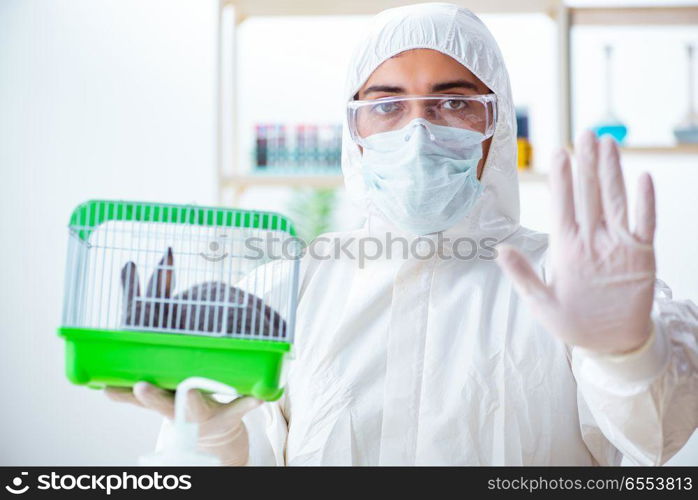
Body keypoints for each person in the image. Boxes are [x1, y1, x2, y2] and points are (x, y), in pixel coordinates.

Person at [106, 2, 698, 465]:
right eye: (387, 105)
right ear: (353, 129)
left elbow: (659, 437)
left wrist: (629, 353)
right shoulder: (286, 290)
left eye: (454, 103)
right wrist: (212, 444)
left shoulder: (568, 283)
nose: (418, 131)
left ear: (495, 124)